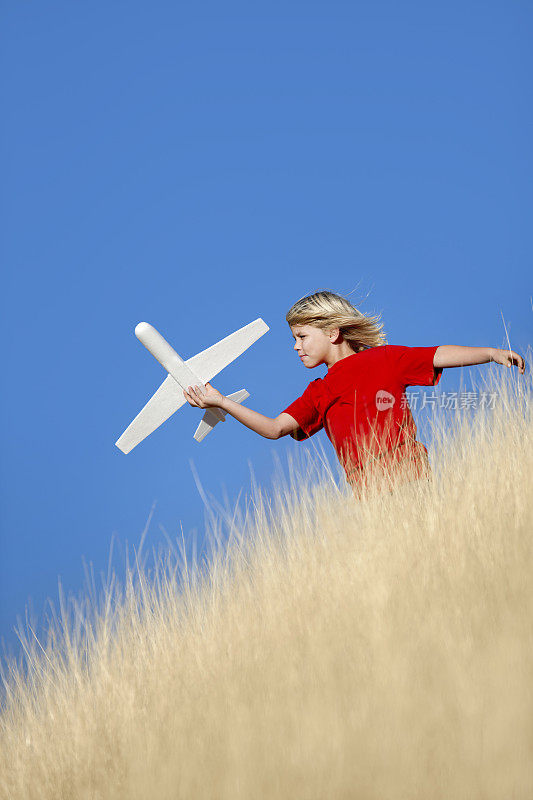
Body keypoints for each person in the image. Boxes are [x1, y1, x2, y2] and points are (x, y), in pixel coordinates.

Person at [183, 290, 526, 495]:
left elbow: (437, 354)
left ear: (332, 332)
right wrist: (221, 402)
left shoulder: (385, 359)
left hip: (411, 476)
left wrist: (491, 353)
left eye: (301, 337)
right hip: (366, 493)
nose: (296, 347)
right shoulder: (318, 392)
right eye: (294, 339)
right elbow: (274, 429)